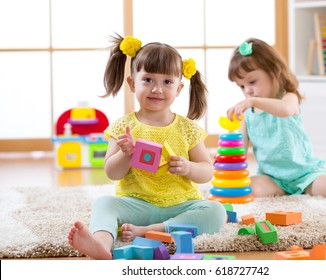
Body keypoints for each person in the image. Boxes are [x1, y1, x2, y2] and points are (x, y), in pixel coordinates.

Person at [68, 35, 226, 260]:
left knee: (216, 211)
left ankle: (157, 230)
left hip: (180, 205)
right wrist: (126, 155)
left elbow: (207, 171)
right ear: (133, 83)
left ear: (179, 88)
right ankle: (101, 243)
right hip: (136, 205)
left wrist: (188, 167)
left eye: (167, 82)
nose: (157, 89)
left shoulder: (188, 128)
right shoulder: (123, 126)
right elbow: (111, 172)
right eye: (148, 80)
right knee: (104, 203)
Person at [226, 38, 326, 199]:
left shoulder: (288, 97)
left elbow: (285, 110)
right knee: (245, 189)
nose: (247, 91)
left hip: (305, 175)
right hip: (272, 178)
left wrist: (253, 101)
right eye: (241, 86)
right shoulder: (248, 114)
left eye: (252, 82)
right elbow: (239, 150)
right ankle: (285, 190)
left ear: (273, 72)